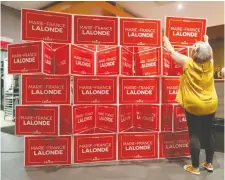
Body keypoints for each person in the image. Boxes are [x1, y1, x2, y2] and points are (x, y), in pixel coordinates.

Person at [163, 35, 218, 175]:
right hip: (211, 104)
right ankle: (209, 163)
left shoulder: (187, 62)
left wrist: (165, 37)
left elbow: (171, 52)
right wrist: (207, 41)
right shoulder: (210, 63)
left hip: (194, 106)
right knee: (208, 133)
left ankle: (195, 167)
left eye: (194, 48)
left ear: (194, 54)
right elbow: (209, 52)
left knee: (194, 135)